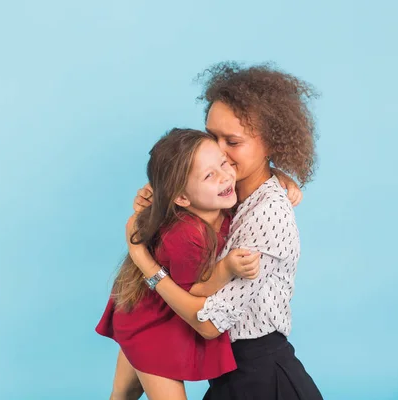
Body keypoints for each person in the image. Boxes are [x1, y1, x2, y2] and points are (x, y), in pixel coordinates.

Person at [127, 62, 324, 399]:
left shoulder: (268, 214)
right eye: (211, 136)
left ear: (272, 142)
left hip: (262, 381)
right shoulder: (226, 194)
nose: (218, 151)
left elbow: (207, 323)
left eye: (232, 141)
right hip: (228, 375)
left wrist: (145, 263)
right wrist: (161, 193)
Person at [95, 128, 262, 400]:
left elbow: (255, 177)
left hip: (152, 315)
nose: (226, 176)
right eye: (210, 175)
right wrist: (227, 268)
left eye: (223, 162)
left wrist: (284, 181)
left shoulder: (218, 201)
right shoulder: (187, 235)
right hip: (153, 327)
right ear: (182, 198)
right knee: (125, 394)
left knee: (122, 394)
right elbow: (195, 291)